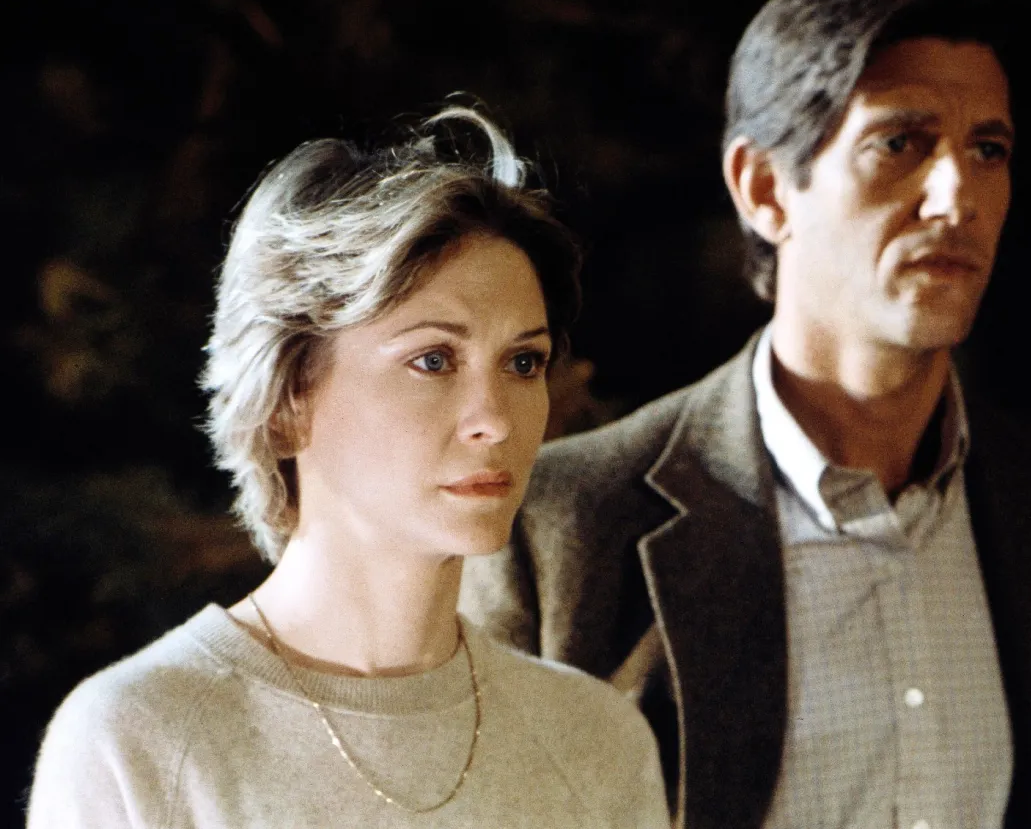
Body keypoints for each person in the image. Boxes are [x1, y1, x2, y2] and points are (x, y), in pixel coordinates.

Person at [460, 0, 1031, 829]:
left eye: (988, 149)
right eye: (901, 142)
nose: (958, 198)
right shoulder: (563, 529)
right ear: (765, 189)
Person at [26, 106, 672, 829]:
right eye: (434, 360)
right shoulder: (134, 740)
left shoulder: (596, 742)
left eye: (523, 362)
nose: (496, 418)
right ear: (286, 401)